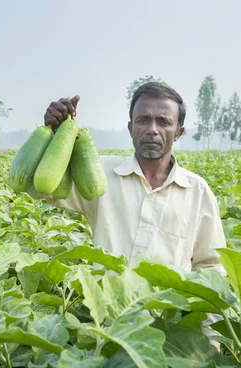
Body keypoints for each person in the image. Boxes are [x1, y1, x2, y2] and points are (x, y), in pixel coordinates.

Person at [40, 82, 226, 273]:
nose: (153, 129)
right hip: (106, 303)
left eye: (163, 121)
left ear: (178, 133)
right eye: (143, 120)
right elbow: (38, 188)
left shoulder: (197, 192)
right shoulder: (99, 173)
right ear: (130, 128)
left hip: (168, 304)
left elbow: (212, 265)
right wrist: (54, 134)